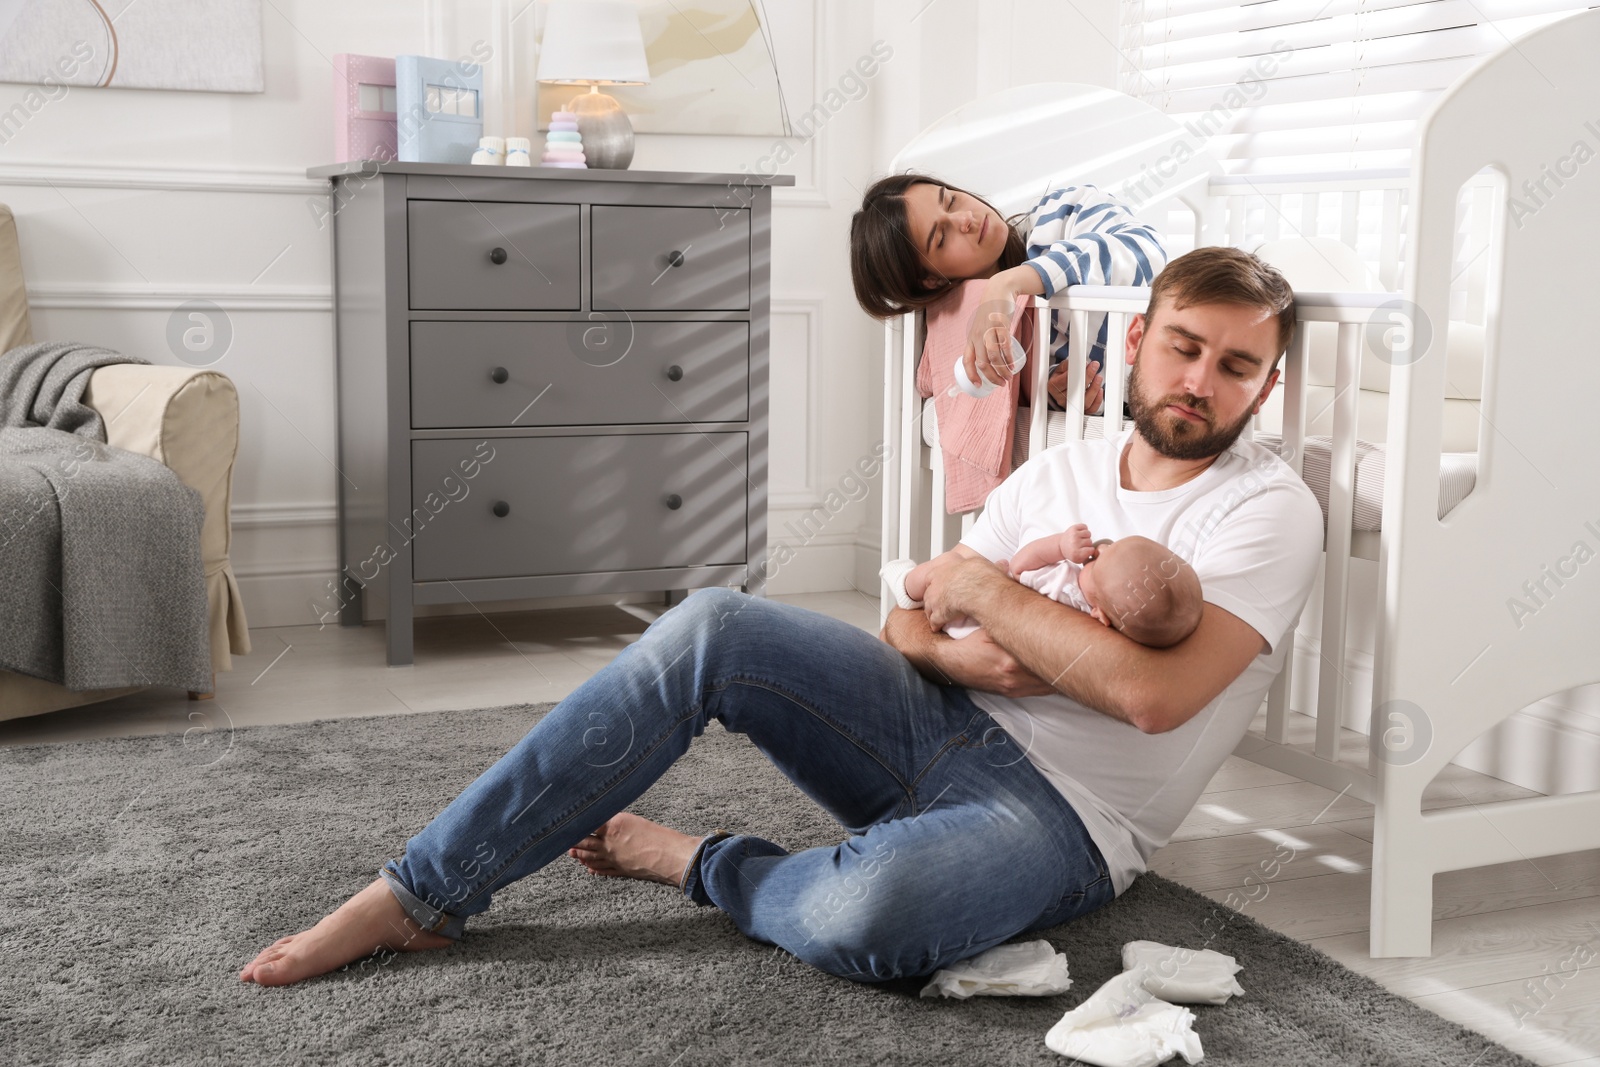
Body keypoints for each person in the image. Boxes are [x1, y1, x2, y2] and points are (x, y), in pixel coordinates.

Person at [238, 246, 1323, 989]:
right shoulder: (1062, 471)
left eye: (1234, 366)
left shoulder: (1268, 508)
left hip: (1064, 819)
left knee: (875, 918)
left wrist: (985, 599)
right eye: (1183, 345)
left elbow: (1150, 694)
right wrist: (965, 655)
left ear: (1263, 387)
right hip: (930, 720)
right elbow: (908, 622)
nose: (1199, 381)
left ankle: (699, 861)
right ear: (1137, 340)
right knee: (714, 621)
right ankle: (422, 891)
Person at [850, 175, 1168, 415]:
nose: (967, 220)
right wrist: (1064, 399)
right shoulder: (988, 340)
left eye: (950, 201)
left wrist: (1006, 284)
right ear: (932, 280)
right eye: (942, 237)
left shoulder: (1062, 214)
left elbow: (1147, 252)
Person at [886, 524, 1204, 649]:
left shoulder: (1062, 582)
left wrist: (1060, 546)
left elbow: (1021, 563)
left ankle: (906, 586)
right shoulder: (1096, 620)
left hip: (967, 616)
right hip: (990, 626)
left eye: (1097, 563)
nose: (1101, 549)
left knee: (946, 565)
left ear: (1099, 612)